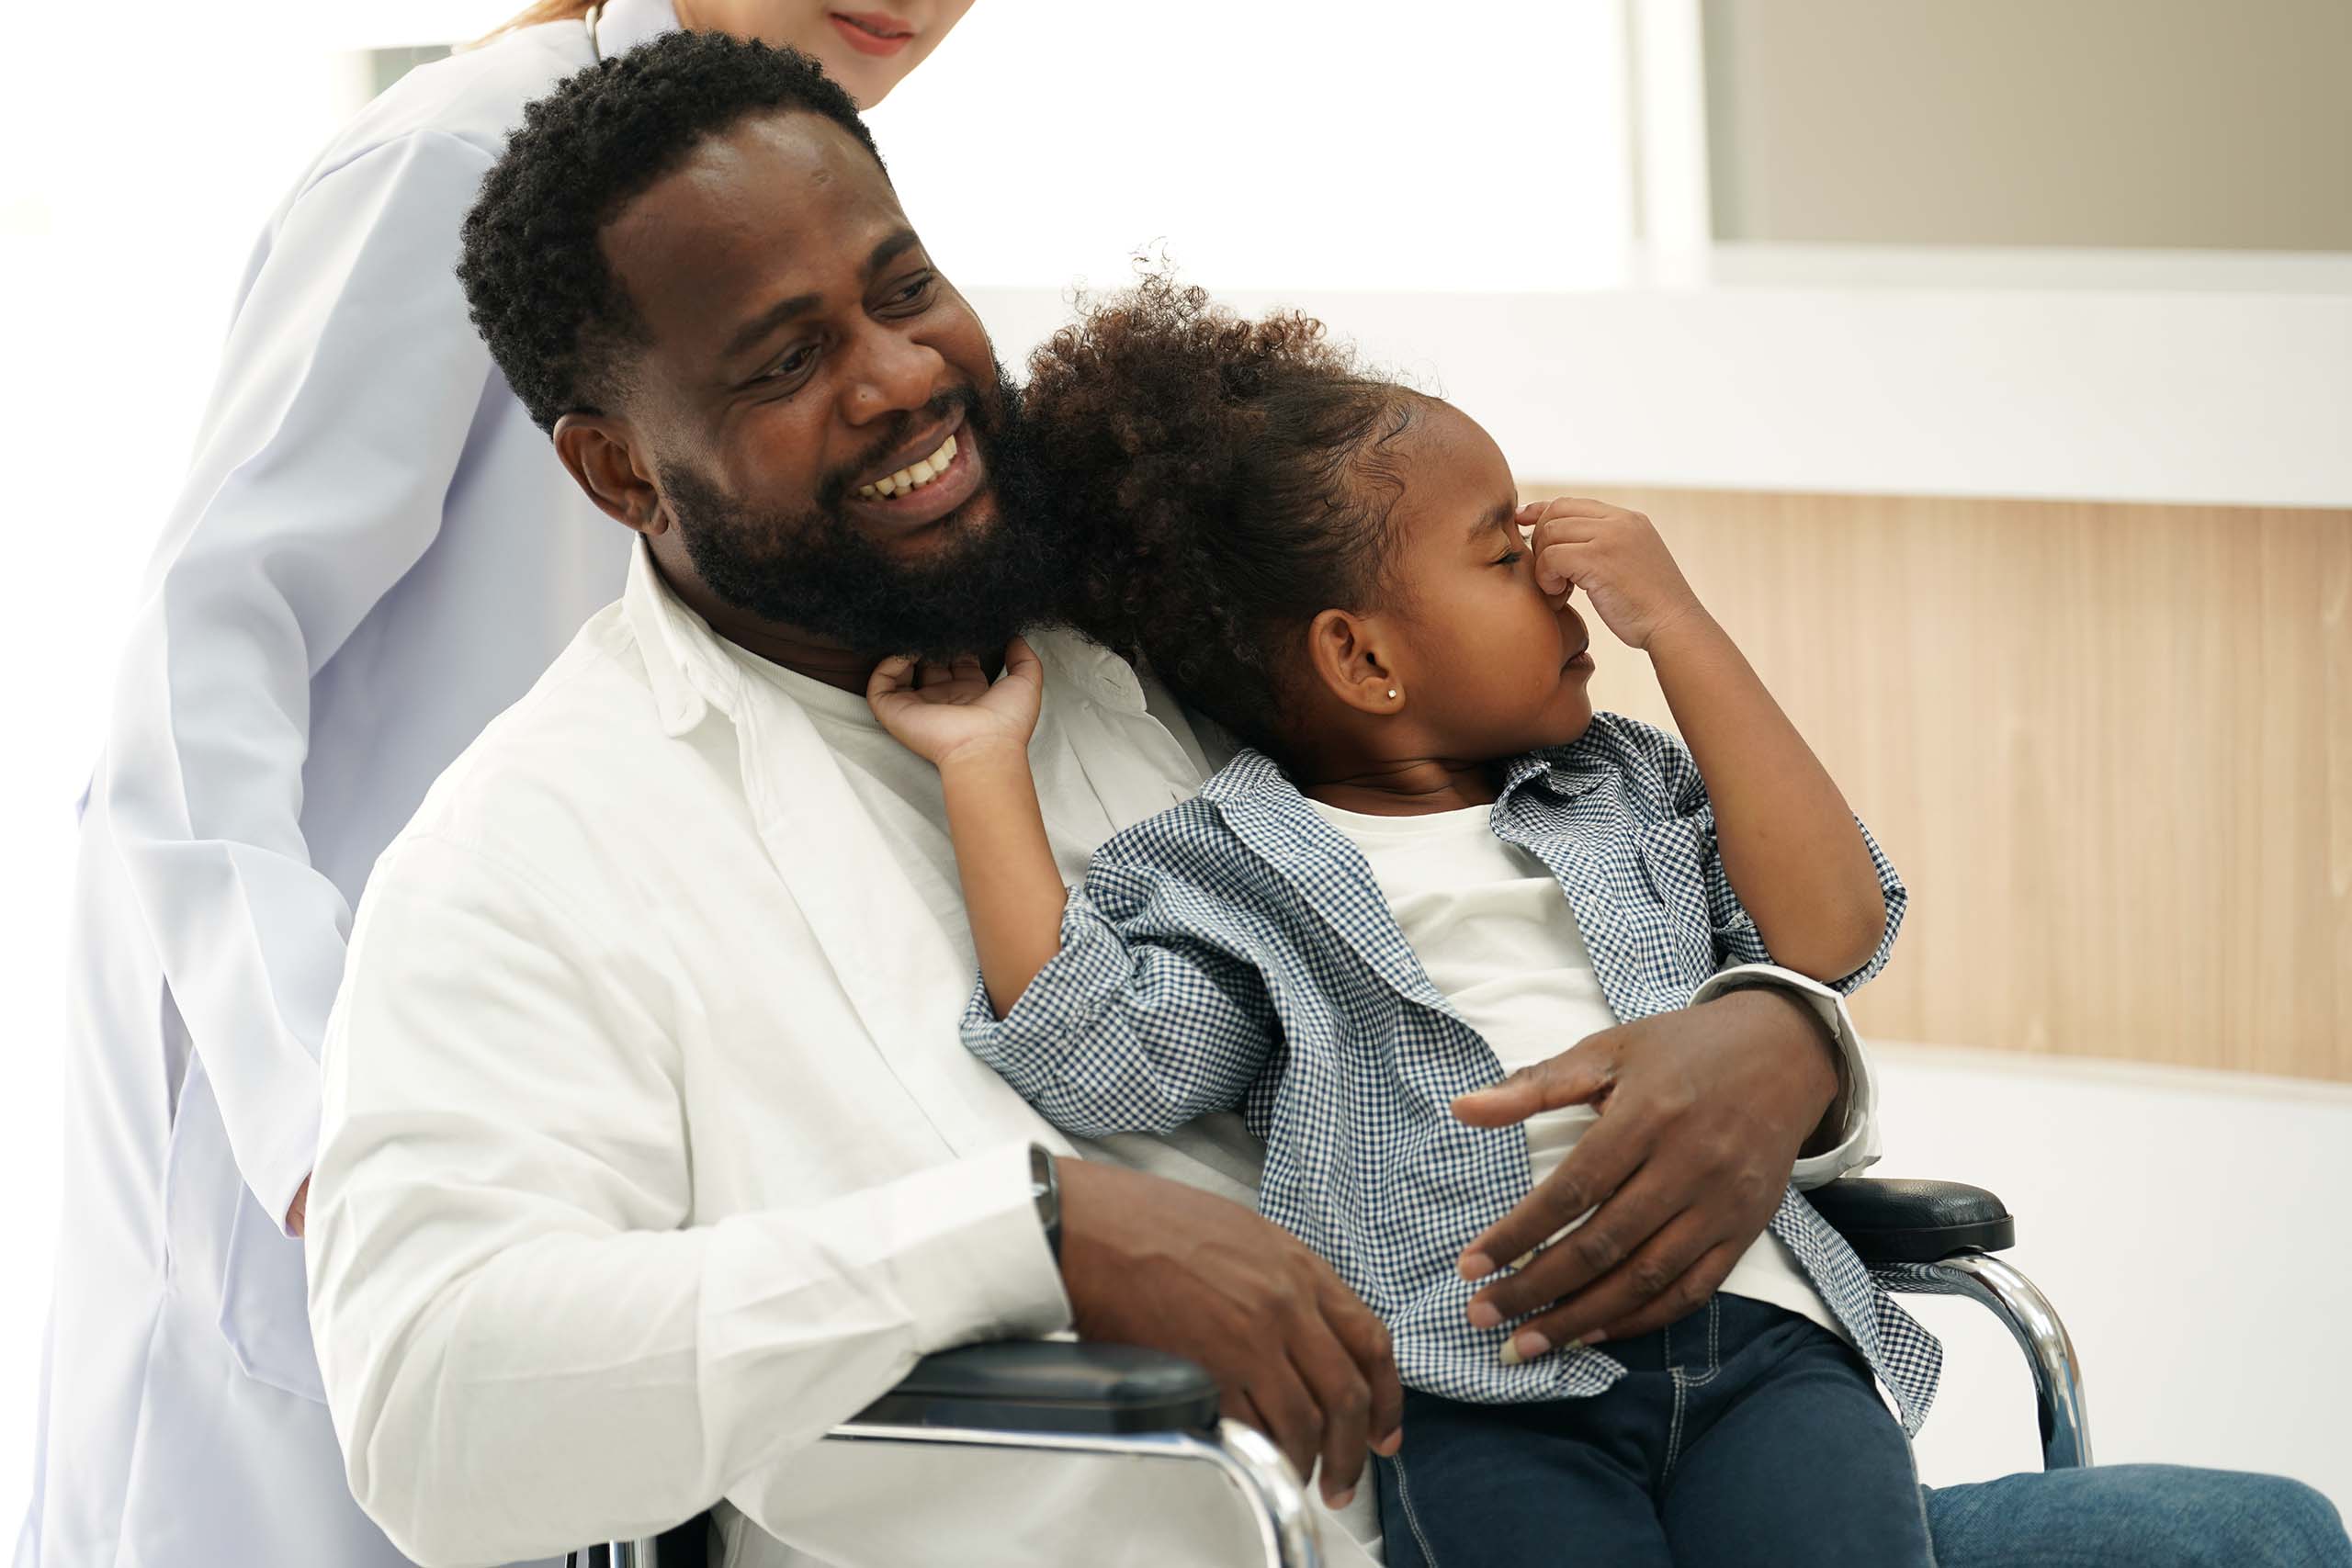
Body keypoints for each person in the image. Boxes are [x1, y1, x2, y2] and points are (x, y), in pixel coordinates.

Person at [305, 29, 2352, 1568]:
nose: (903, 376)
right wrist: (1020, 1234)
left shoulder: (1154, 635)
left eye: (901, 285)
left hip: (1606, 1468)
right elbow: (426, 1398)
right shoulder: (535, 850)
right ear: (613, 469)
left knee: (2253, 1535)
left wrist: (1769, 1042)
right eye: (778, 360)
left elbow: (1556, 893)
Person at [19, 6, 975, 1566]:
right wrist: (323, 1122)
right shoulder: (462, 155)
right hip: (368, 1128)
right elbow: (197, 682)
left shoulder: (777, 176)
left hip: (568, 1139)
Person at [865, 276, 1938, 1565]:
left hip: (1763, 1342)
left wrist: (1681, 628)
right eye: (1501, 552)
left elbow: (1831, 928)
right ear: (1363, 661)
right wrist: (985, 766)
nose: (1557, 580)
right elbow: (1103, 1055)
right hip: (1481, 1391)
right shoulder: (1235, 871)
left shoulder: (1626, 784)